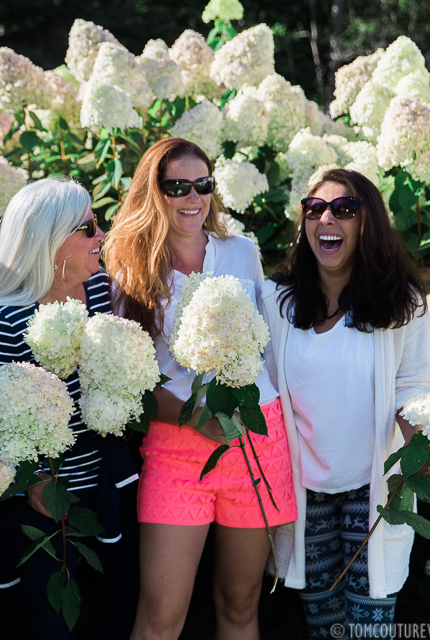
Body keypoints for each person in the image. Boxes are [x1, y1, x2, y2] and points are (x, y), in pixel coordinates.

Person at [103, 137, 297, 640]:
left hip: (255, 438)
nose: (193, 197)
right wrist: (196, 418)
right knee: (162, 616)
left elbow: (267, 350)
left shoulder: (241, 253)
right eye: (178, 186)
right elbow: (131, 377)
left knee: (239, 602)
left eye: (203, 184)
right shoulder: (130, 269)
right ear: (154, 192)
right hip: (176, 447)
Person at [0, 177, 140, 640]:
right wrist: (33, 481)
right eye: (87, 228)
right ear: (50, 241)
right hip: (39, 508)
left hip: (107, 490)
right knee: (52, 623)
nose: (101, 235)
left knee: (115, 611)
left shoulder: (100, 290)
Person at [264, 168, 430, 638]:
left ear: (367, 222)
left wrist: (421, 453)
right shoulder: (277, 300)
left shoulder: (404, 302)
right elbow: (265, 391)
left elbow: (413, 386)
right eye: (314, 209)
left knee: (369, 627)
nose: (326, 219)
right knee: (323, 628)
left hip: (373, 489)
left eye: (344, 209)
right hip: (304, 492)